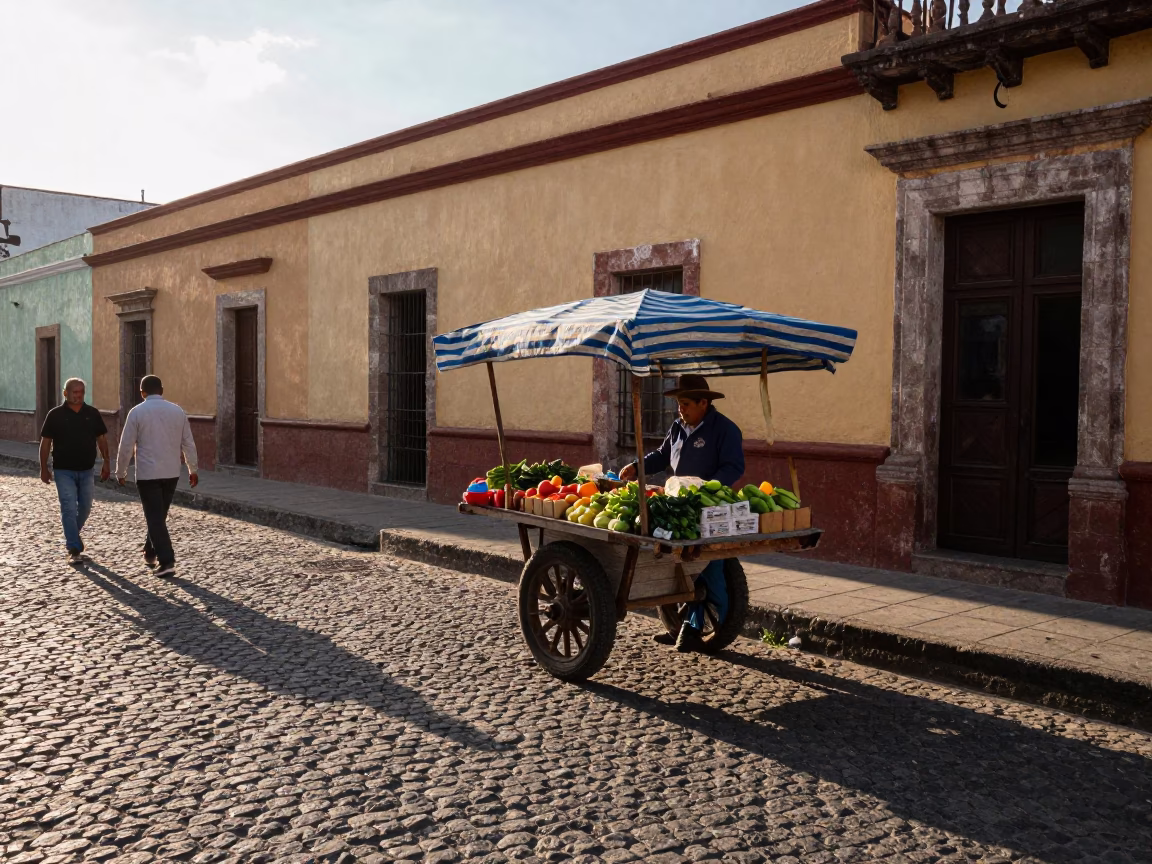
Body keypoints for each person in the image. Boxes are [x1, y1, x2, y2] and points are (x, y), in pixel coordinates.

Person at [620, 374, 744, 653]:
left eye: (685, 403)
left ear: (703, 402)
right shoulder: (677, 427)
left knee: (707, 567)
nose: (680, 409)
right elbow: (663, 455)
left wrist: (704, 489)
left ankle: (708, 627)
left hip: (709, 509)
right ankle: (683, 624)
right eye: (678, 404)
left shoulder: (725, 430)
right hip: (678, 508)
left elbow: (733, 467)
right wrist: (637, 467)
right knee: (676, 563)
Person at [115, 375, 199, 578]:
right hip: (171, 472)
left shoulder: (137, 412)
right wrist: (192, 468)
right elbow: (188, 442)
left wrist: (121, 471)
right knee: (158, 516)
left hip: (147, 474)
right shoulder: (177, 411)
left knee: (154, 517)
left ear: (142, 392)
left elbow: (126, 445)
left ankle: (167, 560)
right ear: (162, 390)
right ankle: (150, 552)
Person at [39, 378, 110, 562]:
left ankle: (73, 535)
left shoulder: (92, 413)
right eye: (74, 392)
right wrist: (43, 468)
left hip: (86, 469)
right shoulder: (54, 415)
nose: (78, 395)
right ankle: (74, 548)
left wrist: (107, 462)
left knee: (85, 507)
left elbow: (101, 439)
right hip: (63, 470)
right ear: (65, 393)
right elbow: (45, 443)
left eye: (81, 392)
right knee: (68, 507)